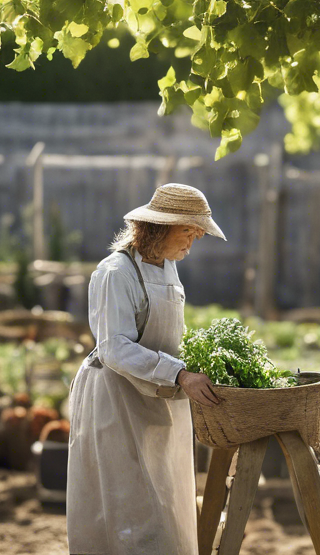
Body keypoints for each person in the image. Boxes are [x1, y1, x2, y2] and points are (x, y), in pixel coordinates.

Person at [67, 183, 225, 555]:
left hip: (158, 394)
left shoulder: (167, 266)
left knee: (165, 500)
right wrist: (180, 374)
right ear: (159, 228)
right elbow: (114, 348)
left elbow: (168, 336)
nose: (195, 238)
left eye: (197, 232)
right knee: (126, 506)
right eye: (188, 230)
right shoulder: (115, 272)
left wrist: (195, 366)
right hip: (116, 399)